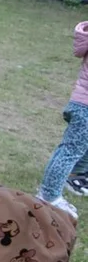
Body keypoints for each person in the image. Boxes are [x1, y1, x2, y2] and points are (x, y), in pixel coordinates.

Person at [36, 20, 88, 220]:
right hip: (84, 106)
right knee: (70, 150)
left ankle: (76, 175)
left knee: (79, 148)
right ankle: (48, 195)